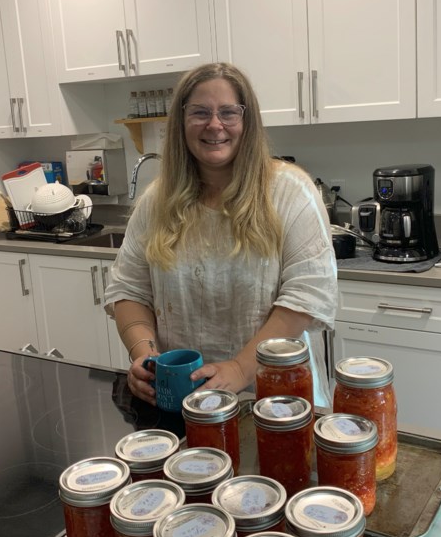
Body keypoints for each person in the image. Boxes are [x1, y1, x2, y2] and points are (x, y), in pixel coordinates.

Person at [104, 62, 338, 408]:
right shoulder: (157, 201)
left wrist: (240, 369)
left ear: (248, 122)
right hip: (184, 399)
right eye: (200, 112)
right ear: (181, 122)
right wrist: (146, 358)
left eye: (228, 112)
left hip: (278, 399)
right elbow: (128, 289)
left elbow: (306, 297)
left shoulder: (290, 192)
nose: (215, 125)